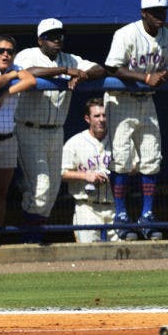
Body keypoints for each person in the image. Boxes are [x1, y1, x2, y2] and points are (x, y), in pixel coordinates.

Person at [14, 18, 104, 243]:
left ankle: (33, 236)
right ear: (40, 39)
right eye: (51, 36)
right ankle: (29, 239)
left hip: (56, 131)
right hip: (29, 129)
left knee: (52, 190)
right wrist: (64, 70)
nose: (56, 40)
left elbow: (99, 69)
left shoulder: (70, 58)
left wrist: (82, 74)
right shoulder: (29, 54)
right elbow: (28, 71)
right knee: (40, 188)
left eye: (59, 36)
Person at [104, 0, 168, 241]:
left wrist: (165, 77)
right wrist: (146, 77)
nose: (161, 16)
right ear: (143, 13)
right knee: (122, 160)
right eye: (156, 12)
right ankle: (121, 215)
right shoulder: (126, 34)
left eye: (164, 11)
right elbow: (113, 67)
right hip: (121, 100)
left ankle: (147, 214)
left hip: (147, 102)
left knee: (151, 157)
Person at [0, 35, 36, 244]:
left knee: (0, 193)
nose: (6, 54)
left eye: (10, 51)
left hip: (8, 140)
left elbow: (31, 80)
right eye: (1, 50)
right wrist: (13, 76)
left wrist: (6, 94)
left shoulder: (16, 68)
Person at [61, 98, 117, 243]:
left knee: (123, 256)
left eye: (104, 115)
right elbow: (61, 173)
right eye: (97, 116)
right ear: (87, 118)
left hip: (115, 206)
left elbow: (135, 167)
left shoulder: (118, 141)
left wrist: (115, 174)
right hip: (86, 207)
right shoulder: (75, 143)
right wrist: (85, 175)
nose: (102, 119)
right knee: (88, 254)